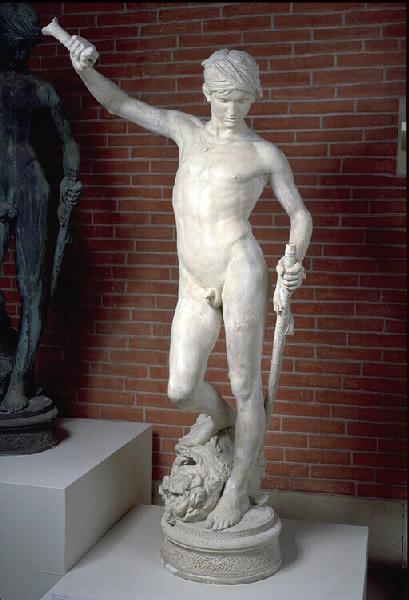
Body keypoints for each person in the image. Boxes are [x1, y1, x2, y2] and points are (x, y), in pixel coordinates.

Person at [68, 39, 312, 530]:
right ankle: (219, 415)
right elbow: (120, 104)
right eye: (222, 97)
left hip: (240, 269)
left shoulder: (263, 154)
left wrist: (293, 259)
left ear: (253, 97)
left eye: (241, 99)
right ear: (206, 94)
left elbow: (299, 213)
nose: (231, 109)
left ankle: (237, 490)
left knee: (246, 385)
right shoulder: (185, 130)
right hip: (193, 280)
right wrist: (85, 70)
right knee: (181, 389)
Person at [0, 3, 81, 412]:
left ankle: (19, 382)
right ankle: (6, 360)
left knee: (31, 288)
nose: (20, 52)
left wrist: (71, 179)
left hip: (32, 187)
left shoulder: (39, 89)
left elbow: (69, 141)